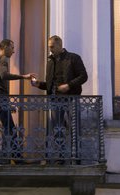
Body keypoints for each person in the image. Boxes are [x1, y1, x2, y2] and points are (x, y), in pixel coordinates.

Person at [32, 35, 88, 164]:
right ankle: (60, 157)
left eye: (51, 47)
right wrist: (38, 84)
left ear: (59, 45)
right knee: (57, 129)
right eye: (49, 47)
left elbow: (84, 76)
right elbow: (50, 84)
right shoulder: (50, 61)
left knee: (74, 128)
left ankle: (76, 158)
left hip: (71, 99)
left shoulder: (73, 58)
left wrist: (69, 85)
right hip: (55, 100)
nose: (50, 49)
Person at [0, 39, 35, 159]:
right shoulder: (3, 59)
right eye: (12, 48)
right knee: (10, 128)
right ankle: (17, 157)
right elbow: (4, 75)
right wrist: (23, 76)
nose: (13, 51)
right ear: (6, 47)